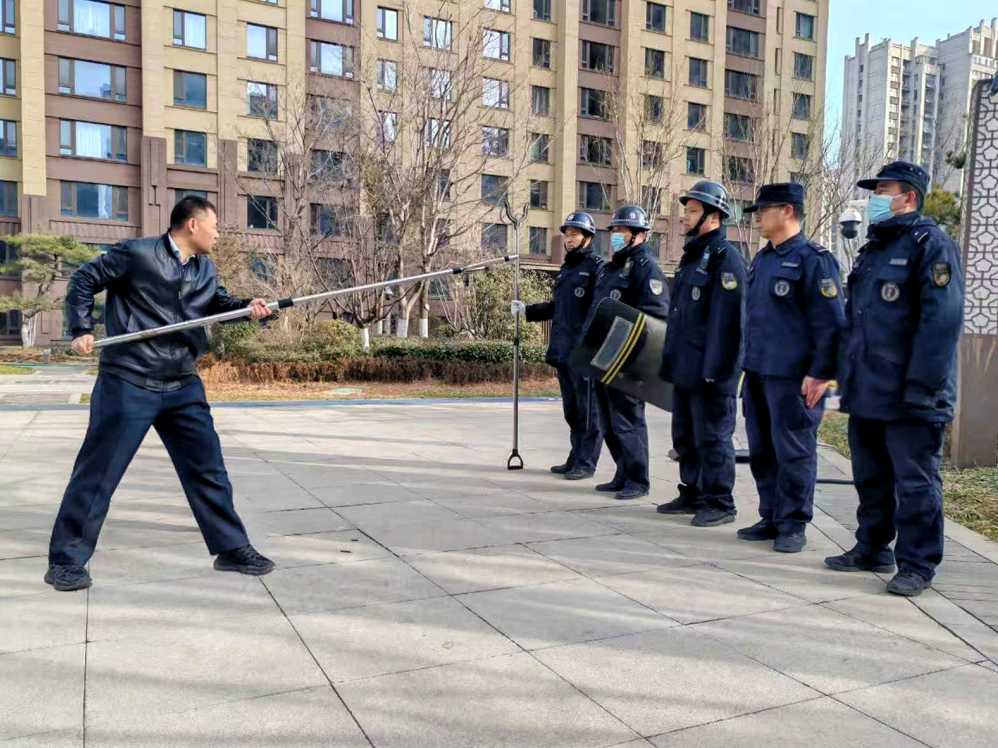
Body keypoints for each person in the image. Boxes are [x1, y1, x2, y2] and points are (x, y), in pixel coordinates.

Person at [46, 196, 276, 592]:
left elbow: (216, 305)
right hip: (128, 380)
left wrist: (248, 308)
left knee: (208, 469)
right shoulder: (136, 254)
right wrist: (80, 328)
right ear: (192, 224)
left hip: (182, 382)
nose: (218, 235)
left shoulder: (204, 268)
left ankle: (231, 548)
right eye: (215, 227)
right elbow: (83, 280)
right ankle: (66, 561)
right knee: (98, 473)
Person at [826, 161, 964, 597]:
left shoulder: (932, 245)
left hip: (912, 393)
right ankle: (872, 547)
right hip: (869, 388)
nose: (875, 200)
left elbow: (941, 322)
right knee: (871, 477)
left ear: (909, 197)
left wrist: (922, 387)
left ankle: (918, 563)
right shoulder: (873, 249)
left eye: (883, 191)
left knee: (915, 482)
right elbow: (855, 321)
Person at [737, 183, 845, 553]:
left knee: (794, 451)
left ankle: (793, 523)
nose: (757, 219)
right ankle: (770, 515)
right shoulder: (763, 259)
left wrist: (821, 374)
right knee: (762, 450)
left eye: (762, 211)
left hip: (794, 377)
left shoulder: (814, 260)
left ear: (787, 211)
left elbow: (832, 324)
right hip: (758, 371)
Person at [657, 182, 747, 527]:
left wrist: (718, 371)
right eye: (687, 210)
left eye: (693, 211)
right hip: (687, 368)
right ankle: (692, 492)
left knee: (713, 438)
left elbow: (730, 323)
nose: (686, 217)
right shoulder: (692, 257)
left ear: (714, 217)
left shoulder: (726, 258)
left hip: (711, 373)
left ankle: (720, 502)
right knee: (685, 437)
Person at [583, 205, 669, 500]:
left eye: (621, 231)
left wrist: (634, 357)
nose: (615, 236)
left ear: (638, 234)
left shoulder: (646, 268)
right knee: (609, 420)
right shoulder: (612, 268)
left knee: (628, 421)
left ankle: (638, 479)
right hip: (603, 357)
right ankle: (623, 472)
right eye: (614, 231)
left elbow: (656, 316)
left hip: (627, 360)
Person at [512, 213, 604, 480]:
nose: (569, 239)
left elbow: (599, 309)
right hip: (564, 351)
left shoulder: (597, 267)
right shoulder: (567, 269)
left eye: (575, 234)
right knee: (572, 411)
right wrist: (527, 310)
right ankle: (575, 457)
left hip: (584, 352)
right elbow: (558, 307)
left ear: (588, 238)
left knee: (588, 412)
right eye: (567, 234)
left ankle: (586, 462)